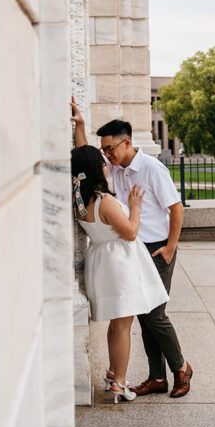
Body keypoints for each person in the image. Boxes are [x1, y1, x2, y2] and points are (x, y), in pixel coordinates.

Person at [71, 98, 193, 398]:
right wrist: (81, 127)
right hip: (134, 248)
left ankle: (181, 368)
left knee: (154, 314)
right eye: (105, 151)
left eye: (110, 148)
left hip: (156, 247)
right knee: (141, 313)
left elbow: (176, 209)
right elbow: (88, 163)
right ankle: (157, 377)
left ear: (126, 143)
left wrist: (170, 248)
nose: (107, 154)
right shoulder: (113, 169)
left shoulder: (152, 169)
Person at [71, 144, 169, 402]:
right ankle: (120, 383)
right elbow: (131, 232)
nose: (106, 165)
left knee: (117, 322)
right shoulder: (105, 201)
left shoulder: (80, 201)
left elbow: (83, 155)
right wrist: (135, 206)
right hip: (119, 264)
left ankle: (114, 372)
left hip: (102, 262)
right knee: (124, 325)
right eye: (102, 162)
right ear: (96, 169)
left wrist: (81, 125)